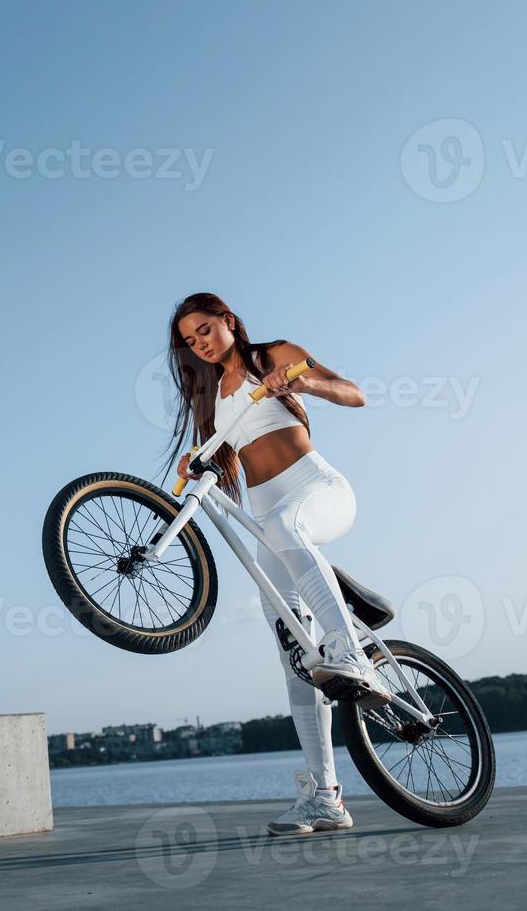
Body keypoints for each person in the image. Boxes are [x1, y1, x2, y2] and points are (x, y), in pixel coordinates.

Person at [165, 291, 389, 837]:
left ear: (228, 321)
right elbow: (221, 460)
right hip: (268, 519)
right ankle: (325, 796)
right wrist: (196, 465)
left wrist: (306, 383)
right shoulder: (212, 398)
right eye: (190, 341)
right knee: (296, 658)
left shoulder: (273, 356)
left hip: (316, 491)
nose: (200, 344)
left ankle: (352, 653)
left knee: (290, 527)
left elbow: (354, 394)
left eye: (205, 330)